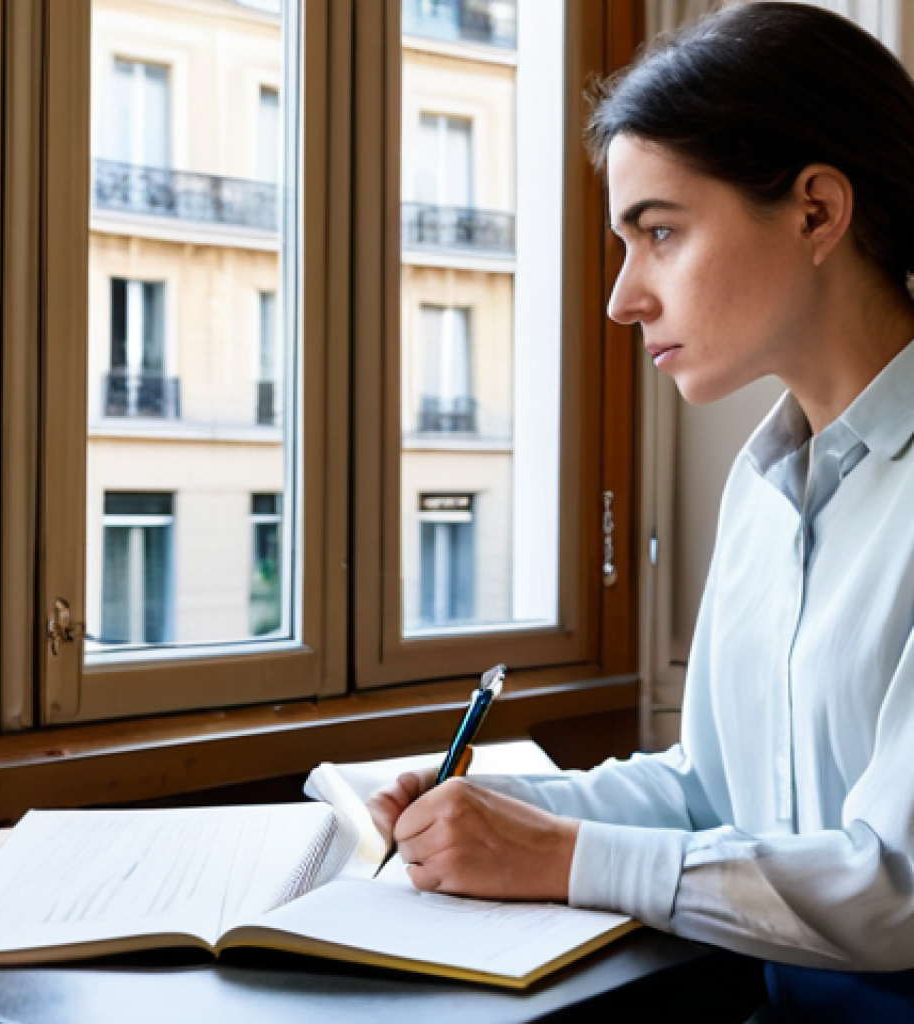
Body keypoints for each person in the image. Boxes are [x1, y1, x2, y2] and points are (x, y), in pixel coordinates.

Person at [368, 4, 914, 1021]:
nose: (623, 297)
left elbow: (896, 887)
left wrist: (560, 853)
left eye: (659, 232)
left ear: (815, 212)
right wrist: (494, 813)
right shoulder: (767, 485)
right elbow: (714, 790)